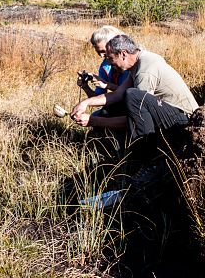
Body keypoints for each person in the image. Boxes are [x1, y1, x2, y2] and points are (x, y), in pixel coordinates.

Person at [71, 34, 199, 184]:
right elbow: (118, 95)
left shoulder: (145, 69)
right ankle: (133, 156)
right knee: (122, 101)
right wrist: (86, 103)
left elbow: (134, 119)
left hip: (184, 121)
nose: (110, 64)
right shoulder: (139, 61)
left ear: (123, 54)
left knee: (132, 95)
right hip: (169, 113)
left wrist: (94, 120)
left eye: (111, 59)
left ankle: (149, 162)